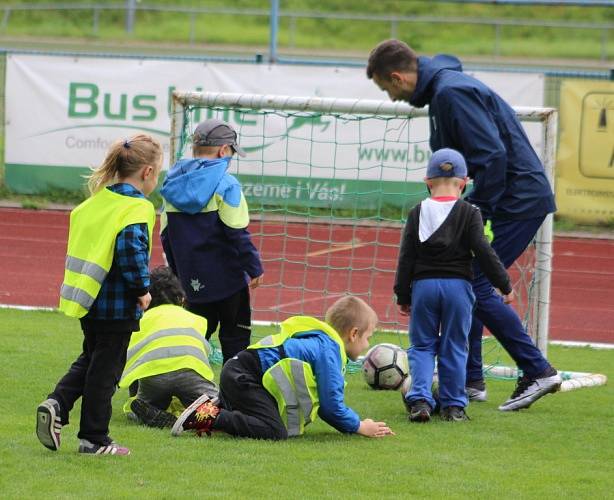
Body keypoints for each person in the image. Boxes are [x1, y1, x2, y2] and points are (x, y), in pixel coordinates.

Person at [367, 39, 562, 412]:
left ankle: (538, 370)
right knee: (465, 281)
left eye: (387, 88)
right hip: (508, 199)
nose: (392, 97)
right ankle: (470, 381)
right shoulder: (444, 88)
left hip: (515, 201)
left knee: (471, 279)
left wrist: (473, 214)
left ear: (396, 76)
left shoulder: (451, 93)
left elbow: (492, 156)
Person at [35, 134, 163, 456]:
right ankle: (94, 440)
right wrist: (142, 290)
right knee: (106, 373)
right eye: (157, 173)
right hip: (117, 305)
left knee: (91, 359)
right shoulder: (137, 207)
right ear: (147, 172)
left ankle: (57, 404)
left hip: (87, 299)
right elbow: (130, 250)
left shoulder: (93, 203)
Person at [395, 148, 513, 423]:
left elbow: (406, 256)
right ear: (464, 183)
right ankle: (453, 406)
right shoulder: (470, 213)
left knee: (422, 346)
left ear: (427, 181)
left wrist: (403, 293)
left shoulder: (417, 212)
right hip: (458, 288)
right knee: (455, 346)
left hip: (423, 287)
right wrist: (504, 285)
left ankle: (421, 401)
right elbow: (484, 251)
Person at [170, 296, 394, 440]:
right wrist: (360, 426)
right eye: (368, 337)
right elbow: (330, 407)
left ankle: (220, 406)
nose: (368, 344)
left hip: (241, 373)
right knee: (274, 431)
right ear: (353, 334)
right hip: (245, 376)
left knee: (272, 422)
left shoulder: (323, 343)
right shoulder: (329, 351)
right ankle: (208, 416)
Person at [160, 119, 264, 364]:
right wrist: (255, 267)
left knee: (193, 342)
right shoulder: (227, 184)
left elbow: (165, 236)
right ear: (223, 151)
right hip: (229, 282)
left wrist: (178, 273)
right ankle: (234, 395)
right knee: (235, 342)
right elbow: (237, 233)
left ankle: (186, 393)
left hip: (190, 281)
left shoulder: (172, 185)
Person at [118, 266, 219, 429]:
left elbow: (131, 356)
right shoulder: (195, 318)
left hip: (153, 376)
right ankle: (196, 416)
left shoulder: (141, 320)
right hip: (190, 371)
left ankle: (144, 409)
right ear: (180, 297)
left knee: (141, 403)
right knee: (215, 406)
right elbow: (203, 351)